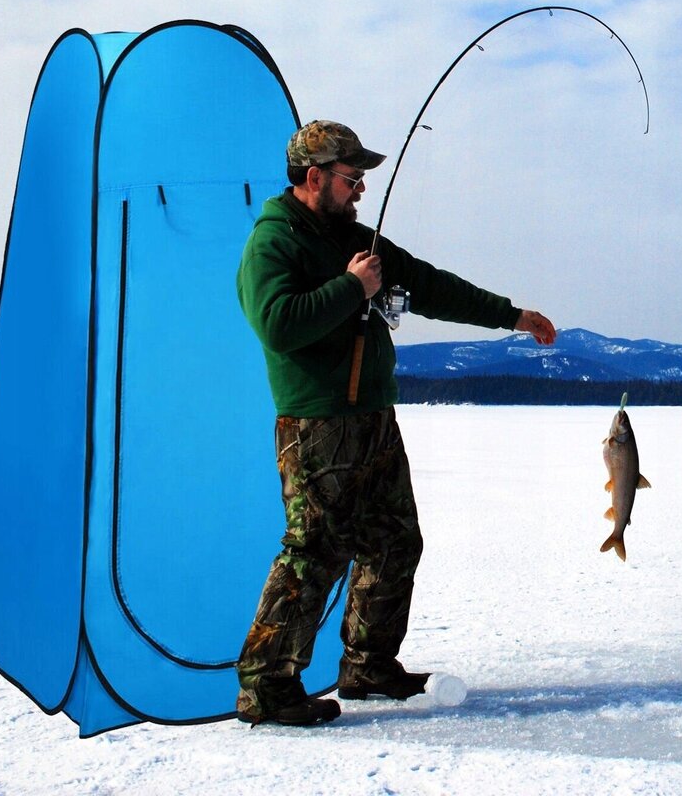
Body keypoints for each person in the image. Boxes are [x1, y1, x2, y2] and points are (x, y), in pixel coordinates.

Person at [234, 119, 556, 726]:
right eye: (351, 178)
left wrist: (510, 315)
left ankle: (368, 665)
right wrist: (351, 288)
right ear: (314, 178)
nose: (360, 190)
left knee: (394, 541)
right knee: (313, 553)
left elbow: (429, 285)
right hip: (319, 425)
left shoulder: (357, 237)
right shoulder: (274, 242)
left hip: (373, 418)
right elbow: (277, 325)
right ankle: (265, 686)